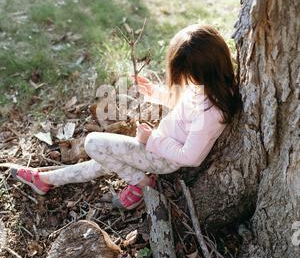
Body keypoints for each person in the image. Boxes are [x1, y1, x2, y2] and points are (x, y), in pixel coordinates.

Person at [10, 24, 240, 210]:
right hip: (156, 147)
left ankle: (141, 183)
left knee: (93, 143)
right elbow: (181, 103)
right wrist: (155, 94)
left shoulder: (212, 113)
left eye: (186, 77)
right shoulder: (208, 87)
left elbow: (190, 157)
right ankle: (45, 180)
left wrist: (151, 141)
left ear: (201, 72)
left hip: (163, 158)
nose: (183, 82)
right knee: (100, 162)